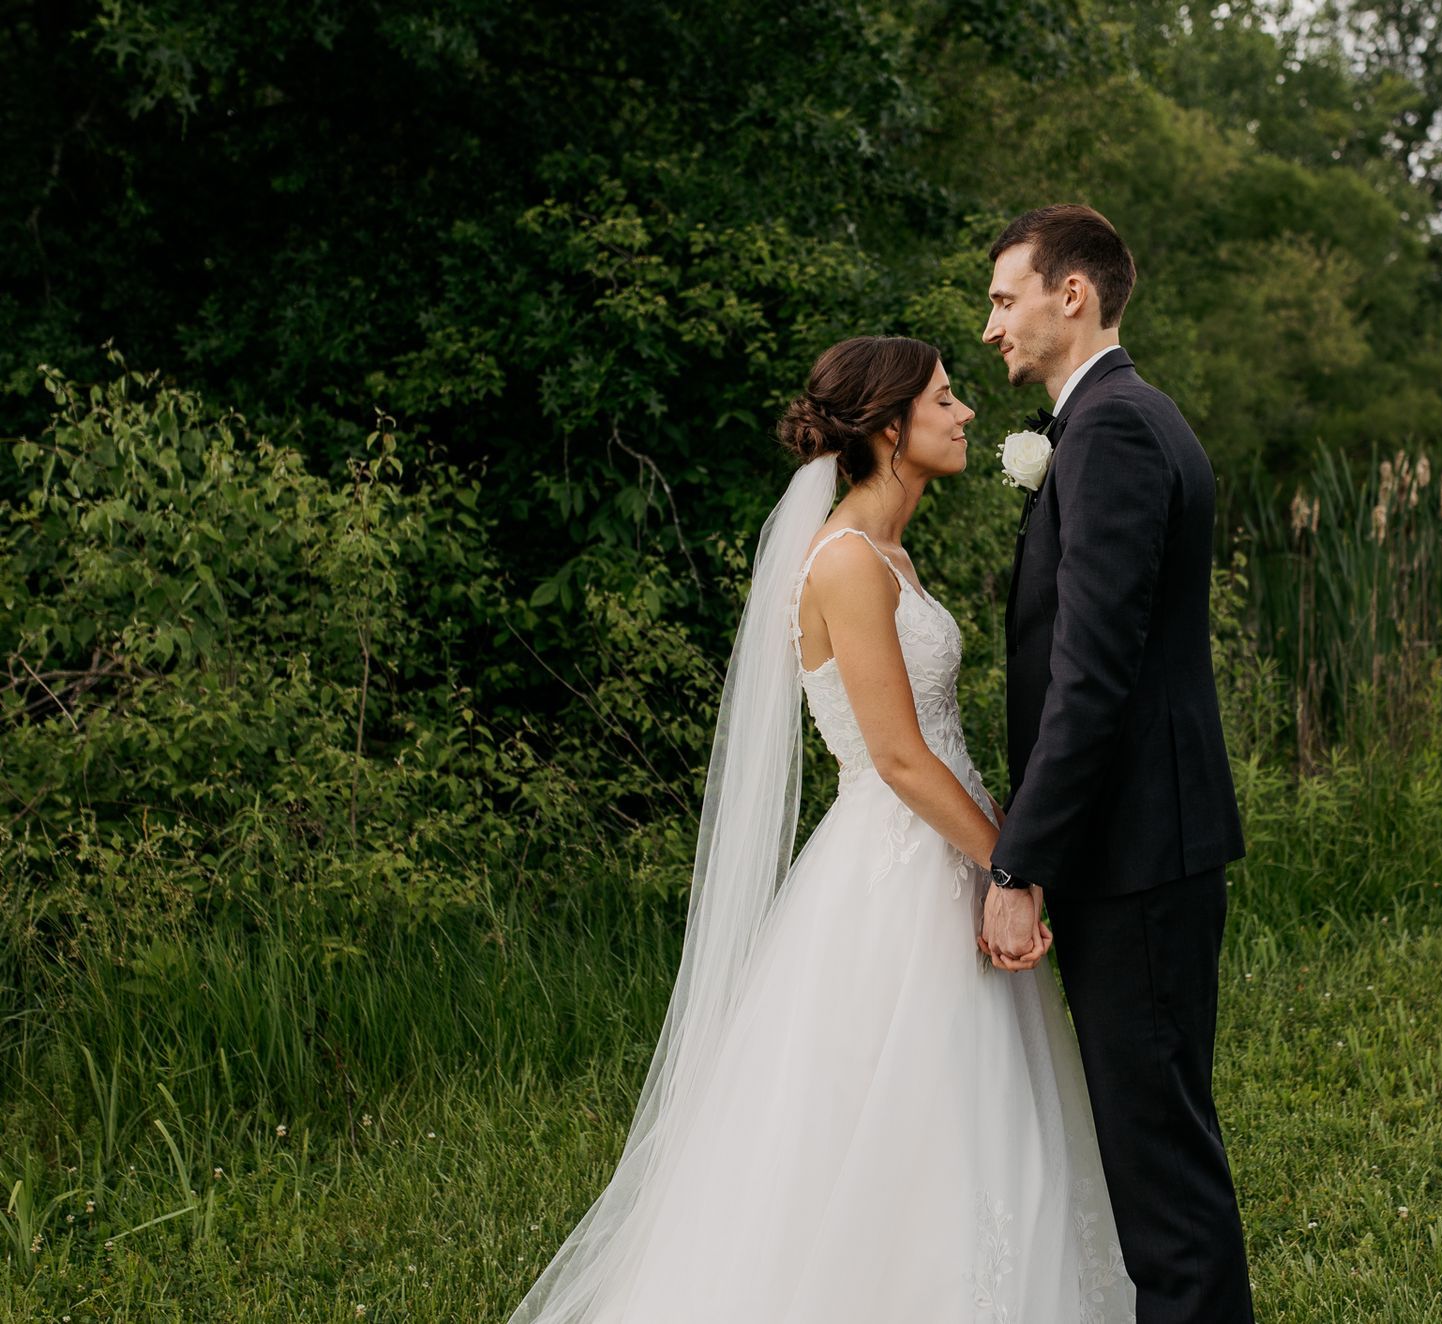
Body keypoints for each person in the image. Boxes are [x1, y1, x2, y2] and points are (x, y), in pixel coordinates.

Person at [507, 334, 1136, 1322]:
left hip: (944, 852)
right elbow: (893, 757)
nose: (966, 412)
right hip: (894, 870)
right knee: (898, 1111)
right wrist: (1012, 862)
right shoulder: (846, 562)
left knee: (971, 1112)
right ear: (889, 427)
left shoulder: (891, 550)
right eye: (943, 399)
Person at [982, 204, 1255, 1324]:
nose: (992, 325)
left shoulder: (1111, 431)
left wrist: (1017, 865)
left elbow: (1092, 675)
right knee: (1161, 1151)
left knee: (1161, 1174)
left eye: (1006, 298)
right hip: (1149, 843)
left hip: (1138, 853)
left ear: (1072, 294)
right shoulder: (1121, 418)